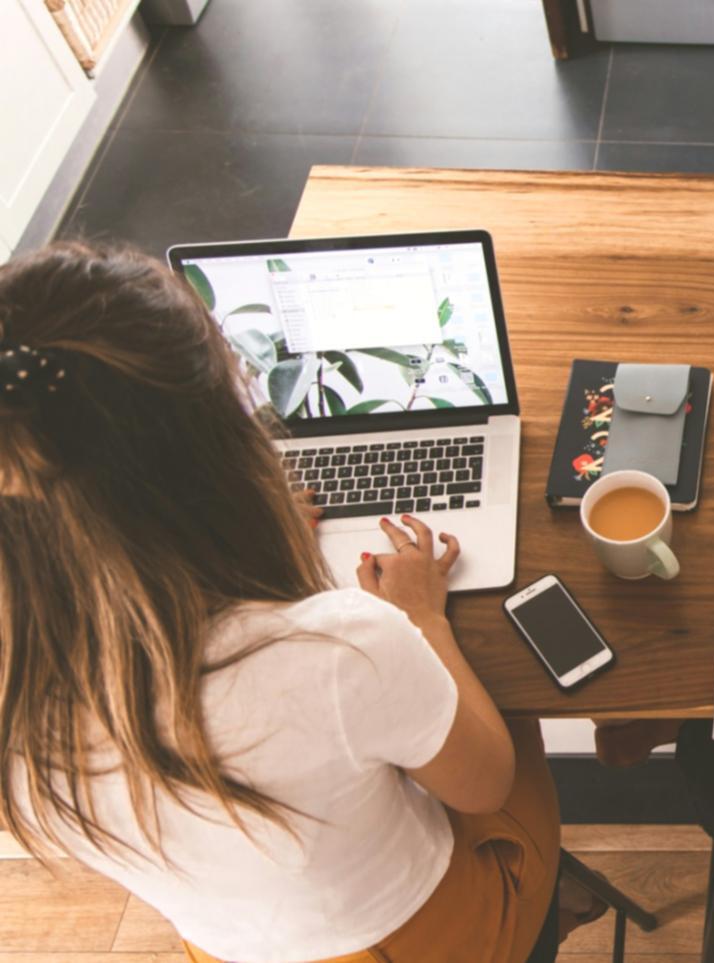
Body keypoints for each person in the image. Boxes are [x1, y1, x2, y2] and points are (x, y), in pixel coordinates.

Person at [0, 243, 600, 963]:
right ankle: (537, 903)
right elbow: (483, 784)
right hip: (423, 943)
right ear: (219, 452)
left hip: (231, 949)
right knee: (512, 720)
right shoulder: (341, 649)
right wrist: (423, 618)